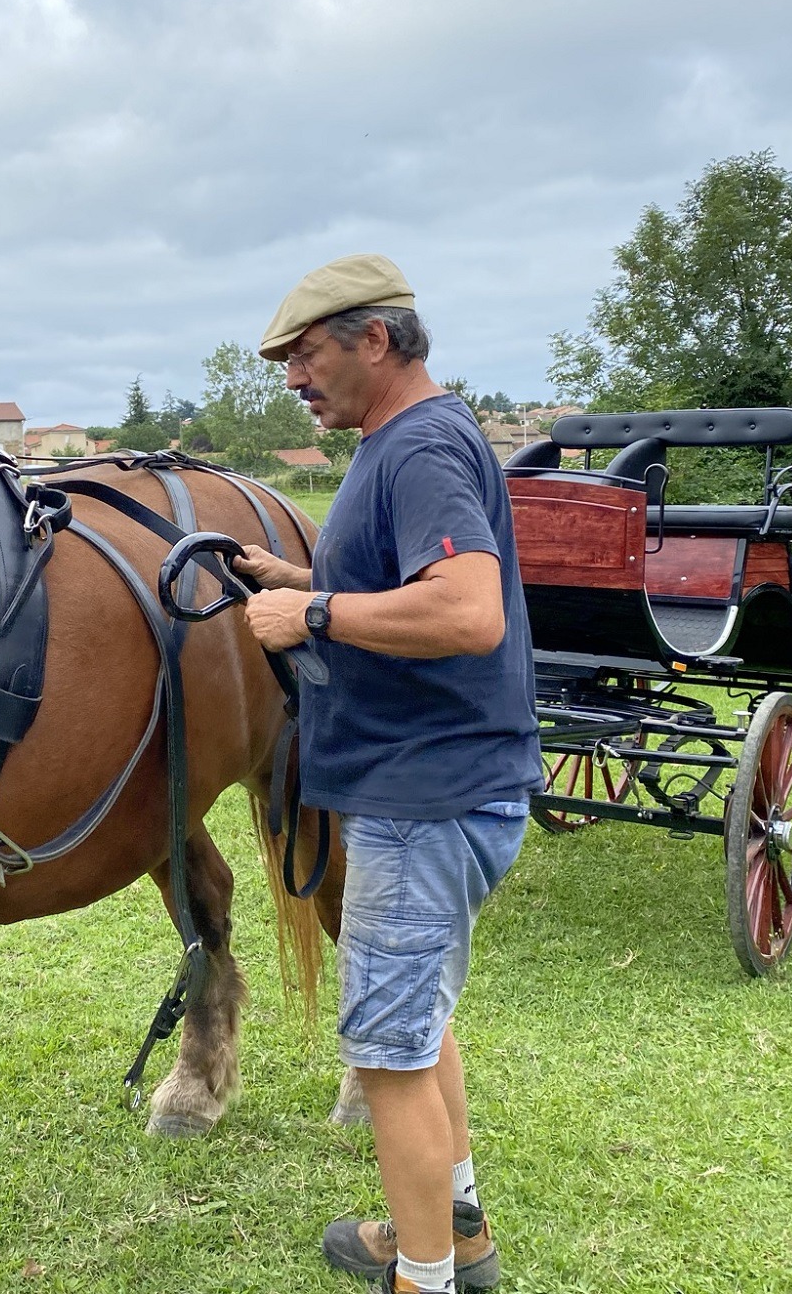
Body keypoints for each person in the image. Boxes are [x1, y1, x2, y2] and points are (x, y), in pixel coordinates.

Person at [232, 253, 542, 1294]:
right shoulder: (396, 443)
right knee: (419, 1027)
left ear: (375, 339)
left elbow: (465, 611)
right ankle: (455, 1235)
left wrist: (310, 614)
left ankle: (421, 1278)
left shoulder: (418, 449)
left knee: (388, 1057)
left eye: (304, 353)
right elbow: (402, 583)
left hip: (424, 801)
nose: (290, 378)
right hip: (432, 793)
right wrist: (303, 576)